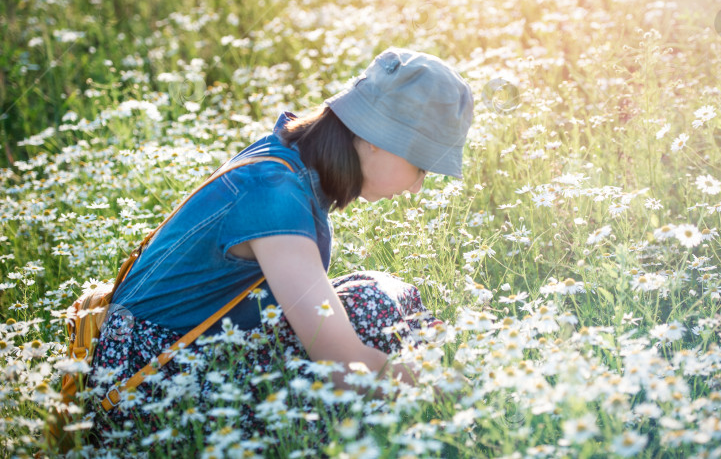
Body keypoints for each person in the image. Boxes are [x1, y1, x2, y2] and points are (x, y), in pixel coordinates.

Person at [85, 47, 474, 447]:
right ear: (378, 137)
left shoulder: (289, 157)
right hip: (149, 396)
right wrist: (448, 388)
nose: (417, 186)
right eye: (421, 165)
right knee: (371, 318)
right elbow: (341, 363)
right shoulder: (274, 195)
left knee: (379, 301)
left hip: (179, 360)